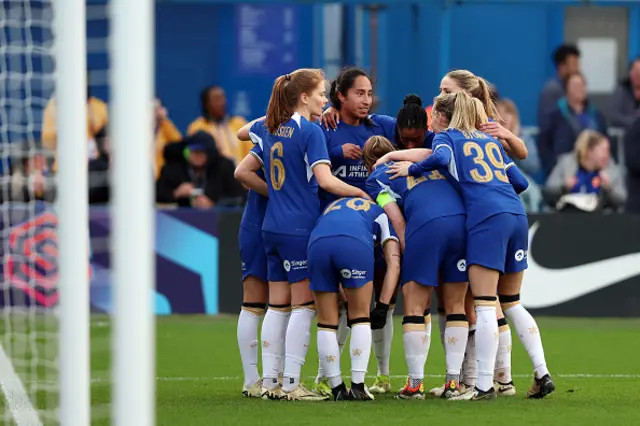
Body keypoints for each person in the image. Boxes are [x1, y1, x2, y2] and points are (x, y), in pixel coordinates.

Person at [388, 92, 554, 401]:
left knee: (484, 303)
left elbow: (437, 159)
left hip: (486, 218)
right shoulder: (490, 143)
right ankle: (540, 370)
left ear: (446, 116)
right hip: (516, 214)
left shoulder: (447, 138)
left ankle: (484, 385)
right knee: (512, 301)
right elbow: (521, 183)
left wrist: (411, 170)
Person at [239, 68, 369, 401]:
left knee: (277, 306)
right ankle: (292, 383)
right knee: (303, 306)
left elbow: (243, 144)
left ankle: (269, 382)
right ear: (303, 97)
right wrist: (360, 193)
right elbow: (325, 181)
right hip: (299, 228)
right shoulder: (310, 132)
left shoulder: (269, 128)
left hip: (271, 227)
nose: (325, 100)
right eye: (321, 93)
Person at [311, 67, 397, 396]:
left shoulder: (383, 126)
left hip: (378, 224)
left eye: (369, 93)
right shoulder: (325, 128)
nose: (366, 100)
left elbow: (416, 130)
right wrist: (335, 153)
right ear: (340, 96)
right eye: (359, 93)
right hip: (339, 228)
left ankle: (383, 374)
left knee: (383, 305)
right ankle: (325, 376)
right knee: (342, 306)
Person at [363, 135, 469, 399]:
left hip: (425, 226)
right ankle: (454, 383)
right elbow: (434, 154)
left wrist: (410, 250)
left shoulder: (376, 178)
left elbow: (397, 220)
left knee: (414, 304)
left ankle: (415, 385)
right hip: (461, 224)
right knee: (455, 305)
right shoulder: (434, 164)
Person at [309, 196, 400, 401]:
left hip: (317, 244)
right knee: (360, 317)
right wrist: (383, 305)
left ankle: (336, 388)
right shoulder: (380, 212)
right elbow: (393, 263)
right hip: (354, 244)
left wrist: (346, 298)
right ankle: (358, 386)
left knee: (326, 323)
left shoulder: (332, 204)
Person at [233, 141, 269, 398]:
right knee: (254, 302)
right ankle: (252, 379)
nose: (323, 99)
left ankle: (273, 376)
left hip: (284, 224)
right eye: (319, 96)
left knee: (284, 305)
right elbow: (241, 172)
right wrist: (276, 193)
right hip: (260, 223)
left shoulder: (312, 130)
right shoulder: (272, 129)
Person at [545, 129, 626, 212]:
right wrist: (564, 187)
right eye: (604, 150)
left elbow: (622, 200)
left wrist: (608, 189)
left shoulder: (611, 168)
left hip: (601, 219)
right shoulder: (566, 164)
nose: (607, 155)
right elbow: (549, 193)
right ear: (590, 151)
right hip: (568, 217)